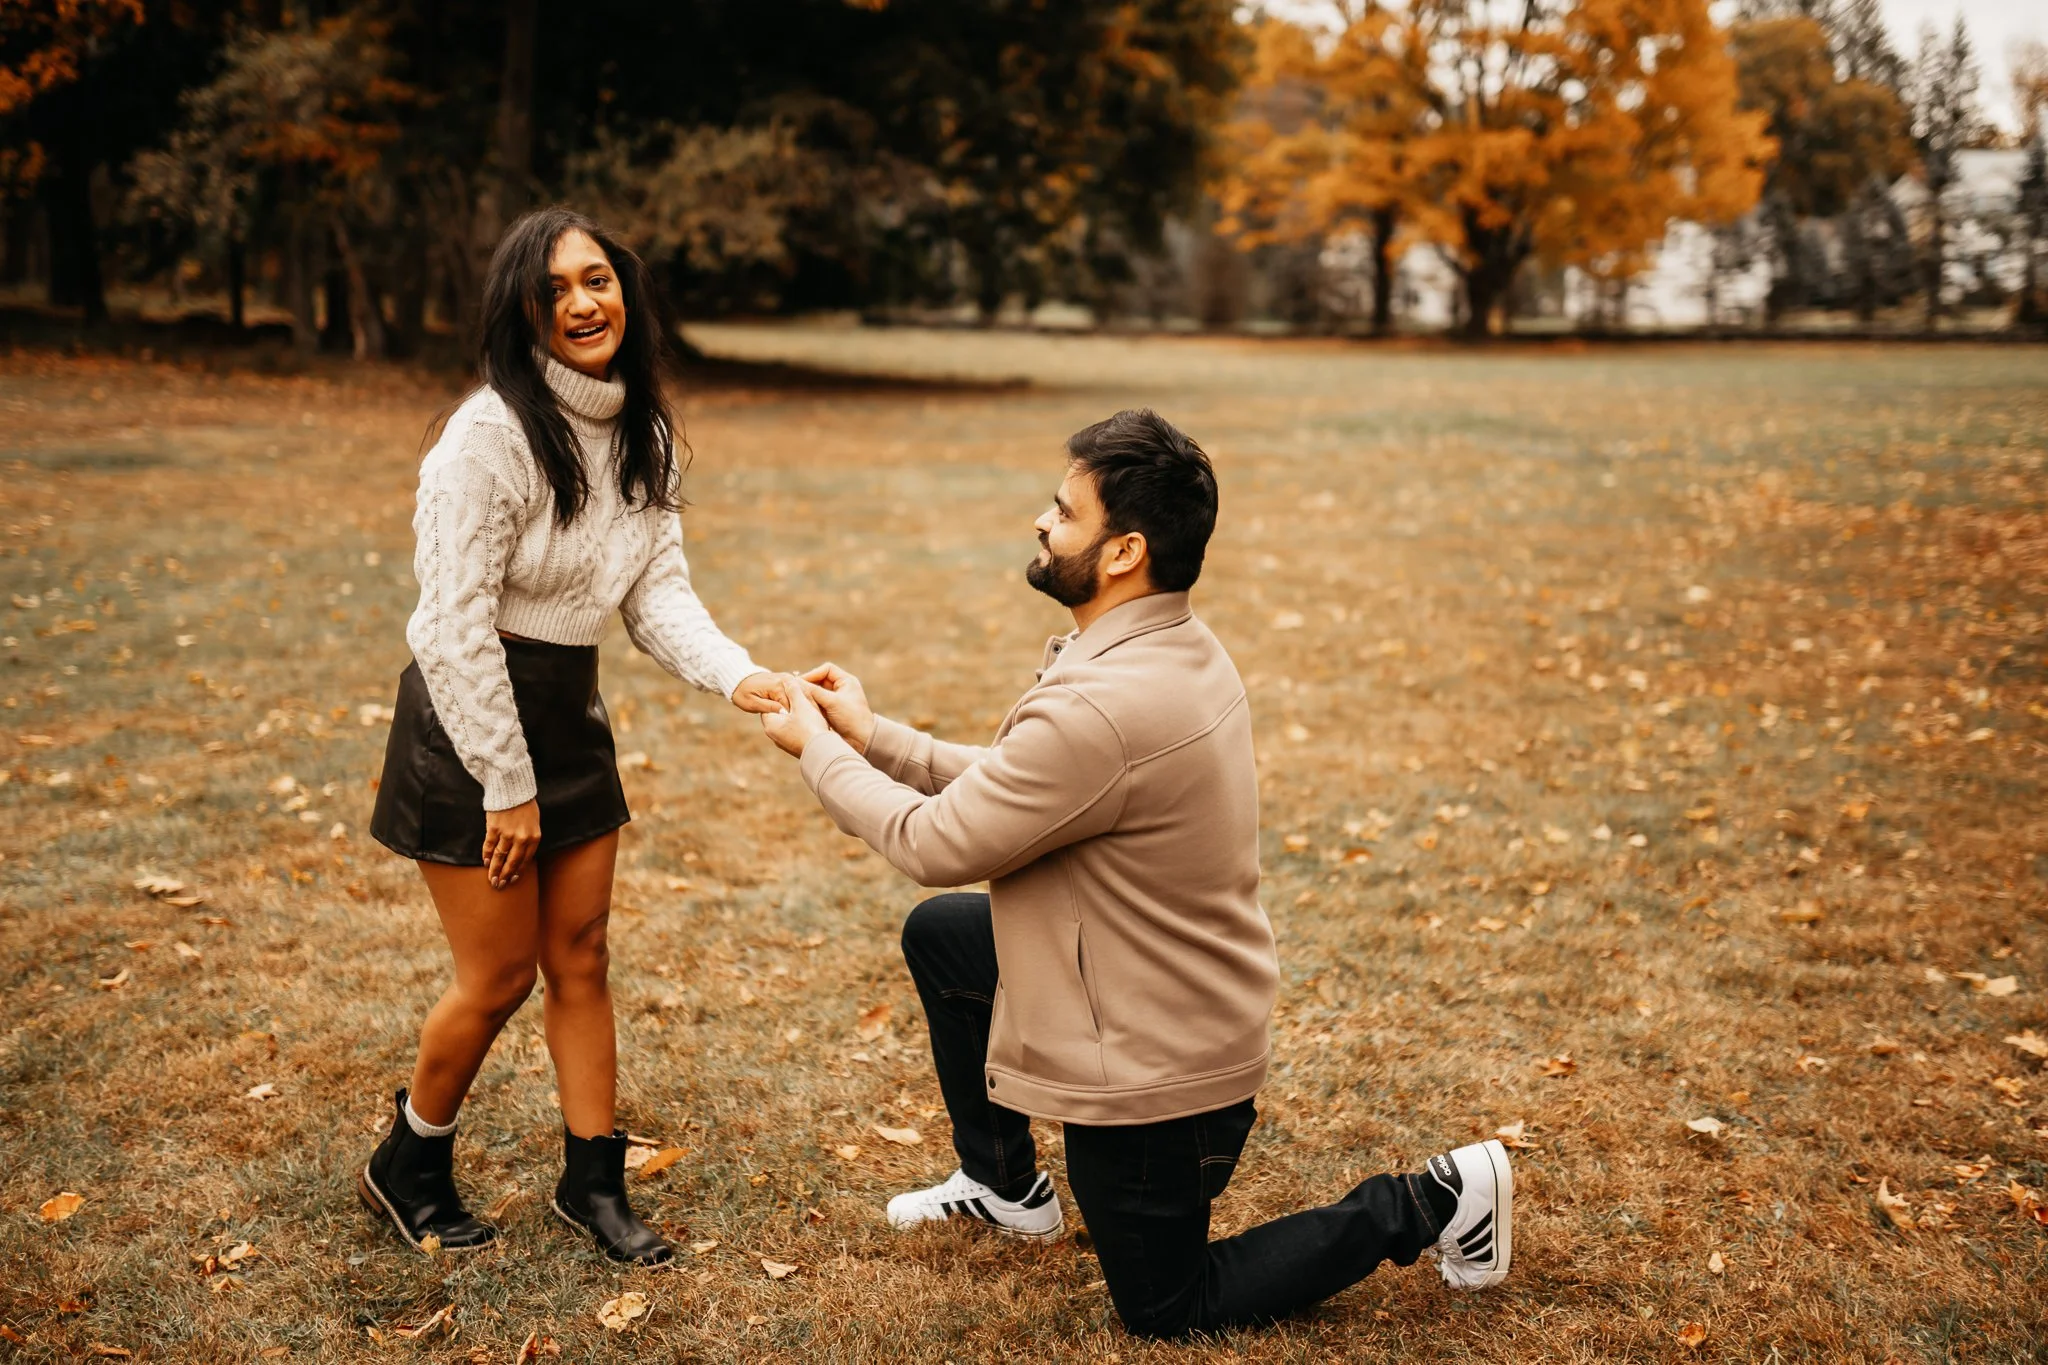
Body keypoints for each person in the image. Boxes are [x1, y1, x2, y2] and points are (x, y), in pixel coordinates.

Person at [758, 409, 1512, 1337]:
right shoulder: (1170, 647)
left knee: (1165, 1306)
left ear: (1123, 552)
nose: (1041, 521)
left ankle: (1438, 1197)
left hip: (1163, 1076)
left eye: (1062, 512)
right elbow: (1023, 791)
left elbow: (935, 843)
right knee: (951, 937)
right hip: (1164, 992)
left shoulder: (1106, 706)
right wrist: (870, 737)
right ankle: (1005, 1186)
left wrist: (814, 752)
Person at [361, 206, 783, 1267]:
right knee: (498, 977)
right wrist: (505, 781)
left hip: (569, 716)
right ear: (522, 313)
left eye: (596, 279)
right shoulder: (486, 439)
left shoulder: (638, 430)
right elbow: (450, 624)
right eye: (554, 290)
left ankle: (592, 1184)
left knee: (582, 956)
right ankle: (408, 1161)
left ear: (624, 292)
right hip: (471, 725)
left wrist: (744, 678)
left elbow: (658, 597)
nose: (583, 302)